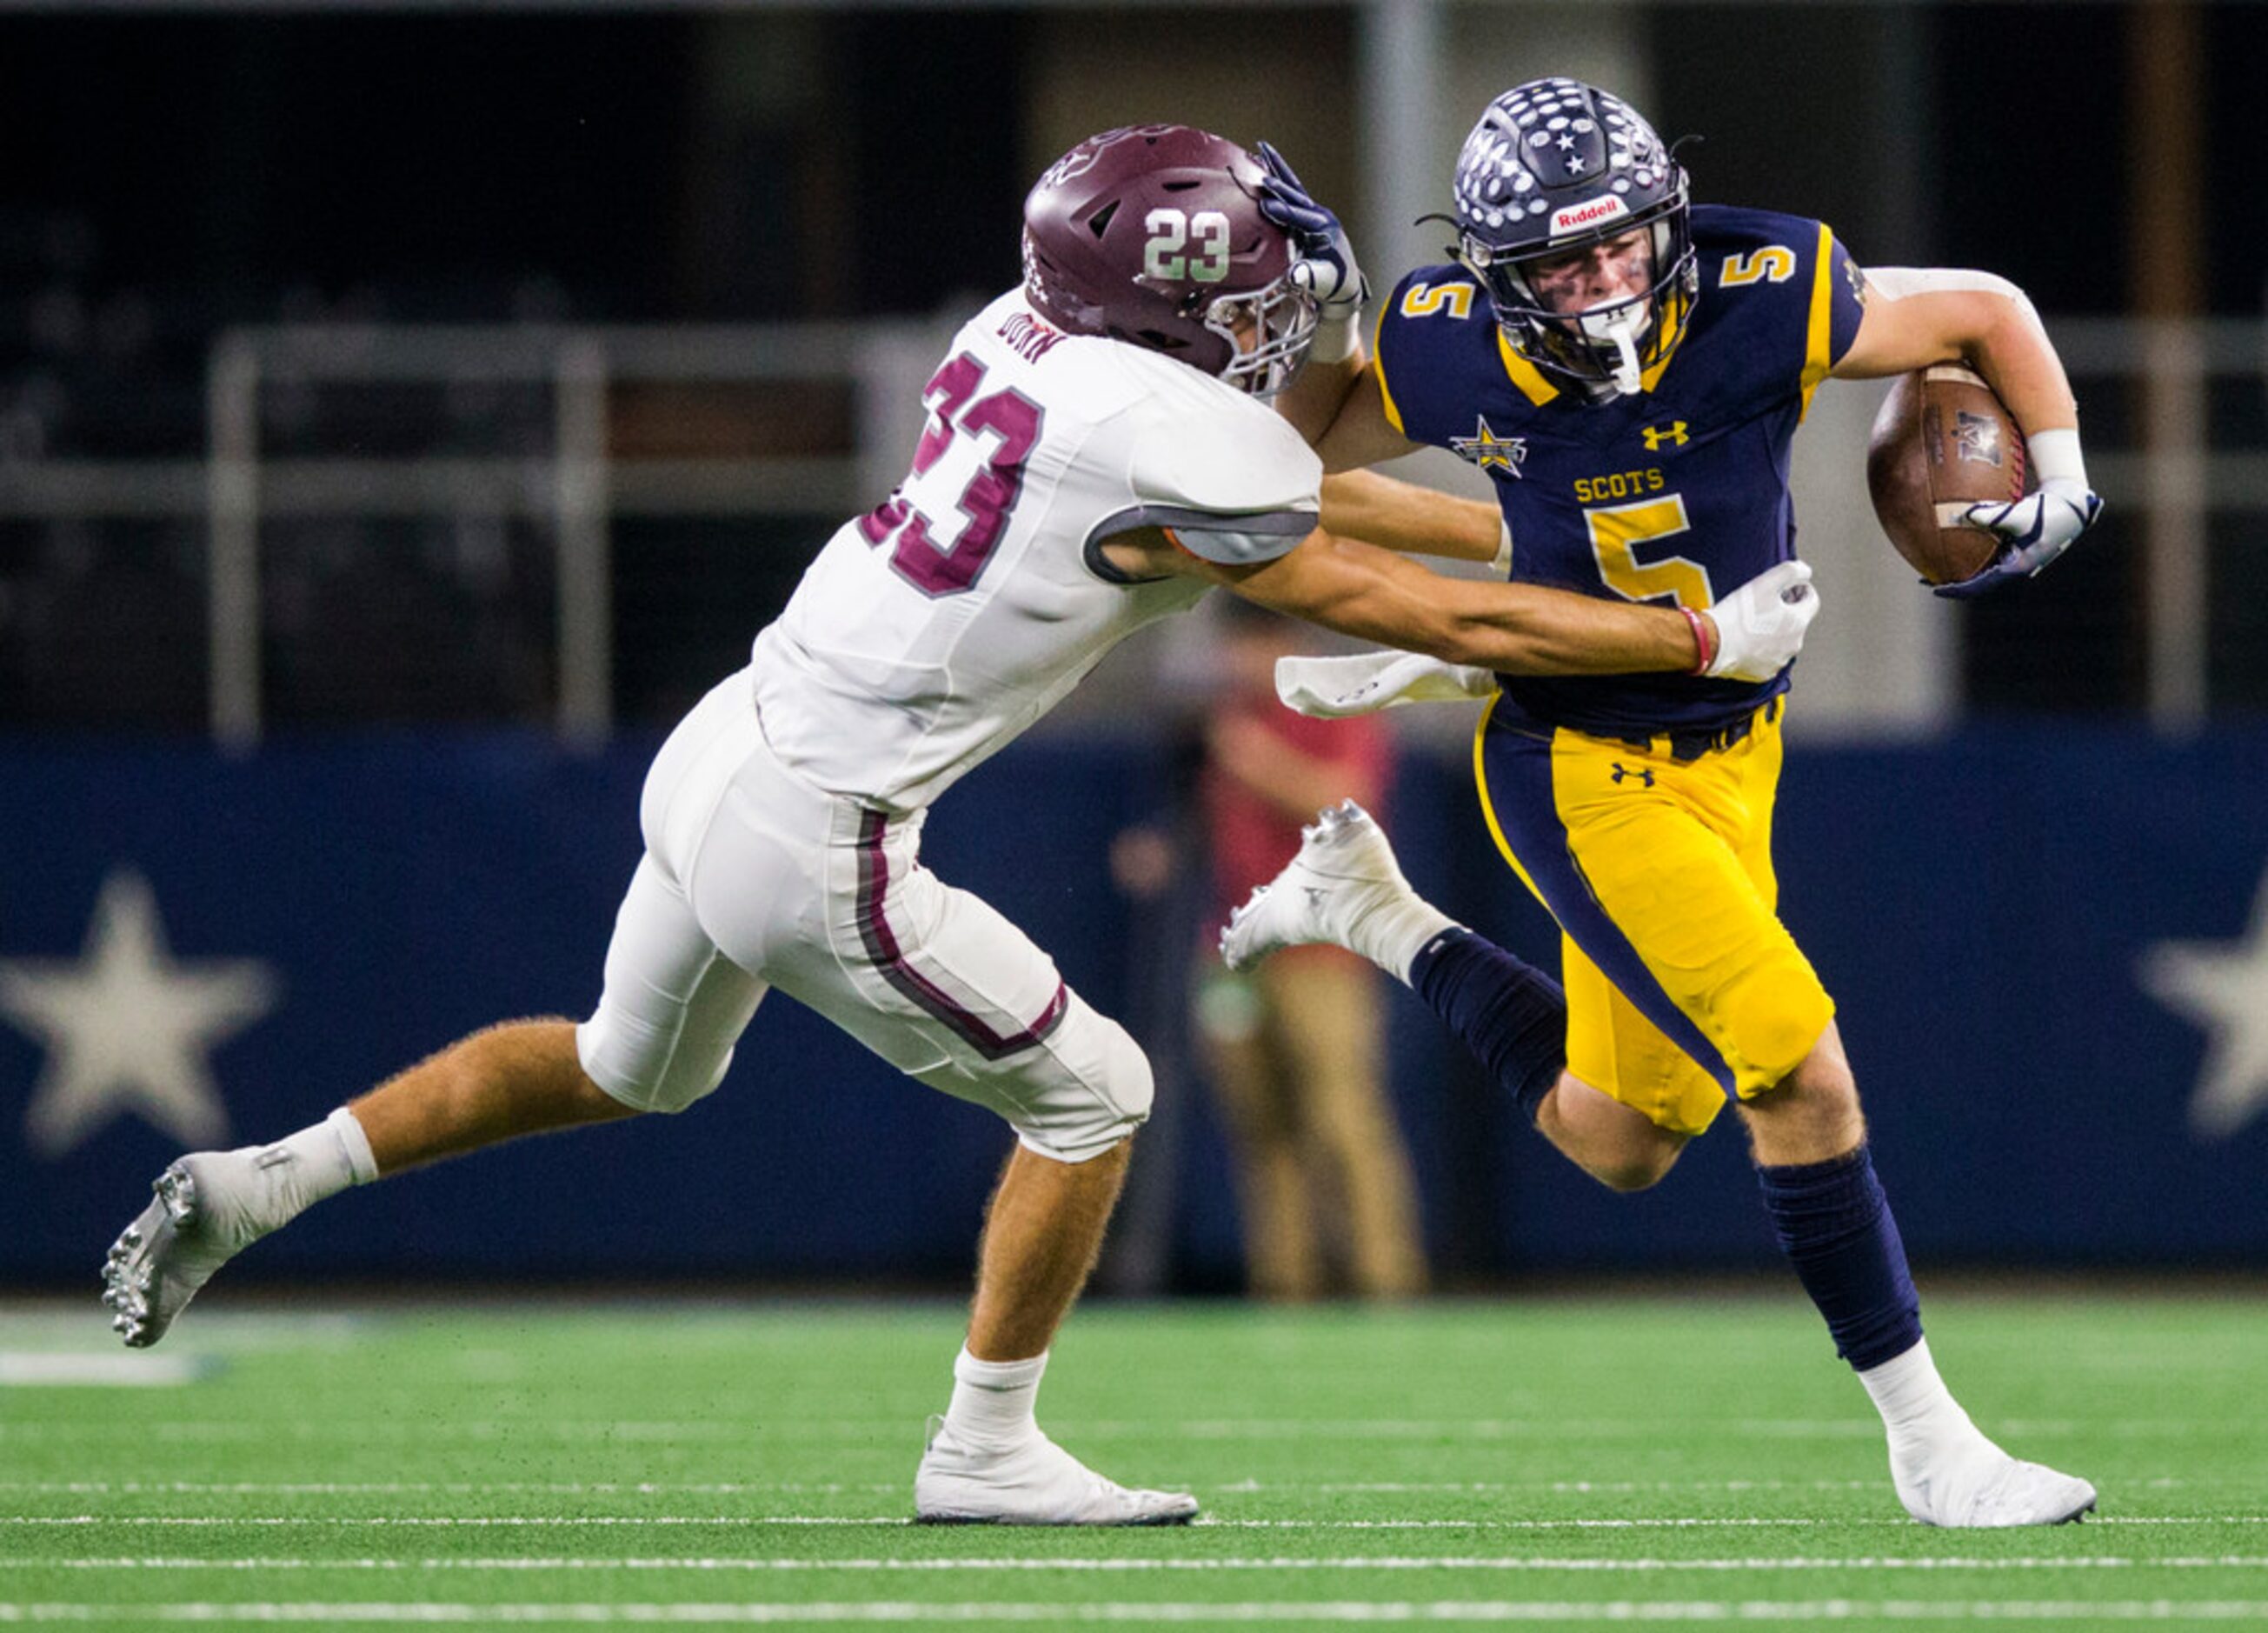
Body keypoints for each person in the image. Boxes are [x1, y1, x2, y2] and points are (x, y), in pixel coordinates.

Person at [101, 123, 1820, 1527]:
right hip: (823, 824)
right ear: (1165, 310)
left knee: (625, 1066)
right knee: (1100, 1092)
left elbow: (1320, 507)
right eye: (1241, 285)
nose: (1276, 306)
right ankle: (984, 1445)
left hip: (728, 740)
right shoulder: (1163, 434)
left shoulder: (1018, 332)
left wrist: (1516, 531)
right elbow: (1387, 595)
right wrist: (1684, 635)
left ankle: (265, 1182)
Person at [1222, 78, 2104, 1529]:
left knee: (1621, 1136)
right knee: (1798, 1074)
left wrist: (2058, 468)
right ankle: (1932, 1446)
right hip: (1584, 765)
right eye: (1558, 268)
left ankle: (1373, 914)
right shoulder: (1446, 349)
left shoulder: (1766, 289)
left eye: (1619, 248)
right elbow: (1274, 465)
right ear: (1494, 273)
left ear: (1668, 223)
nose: (1596, 286)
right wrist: (1310, 360)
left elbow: (1983, 310)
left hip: (1732, 742)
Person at [1196, 597, 1425, 1300]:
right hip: (1234, 953)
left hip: (1321, 950)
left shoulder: (1332, 707)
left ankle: (1385, 1282)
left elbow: (1346, 801)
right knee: (1259, 1125)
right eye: (1232, 645)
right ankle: (1284, 1286)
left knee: (1340, 1117)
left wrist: (1257, 762)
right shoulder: (1229, 717)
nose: (1241, 660)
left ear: (1287, 639)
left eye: (1255, 641)